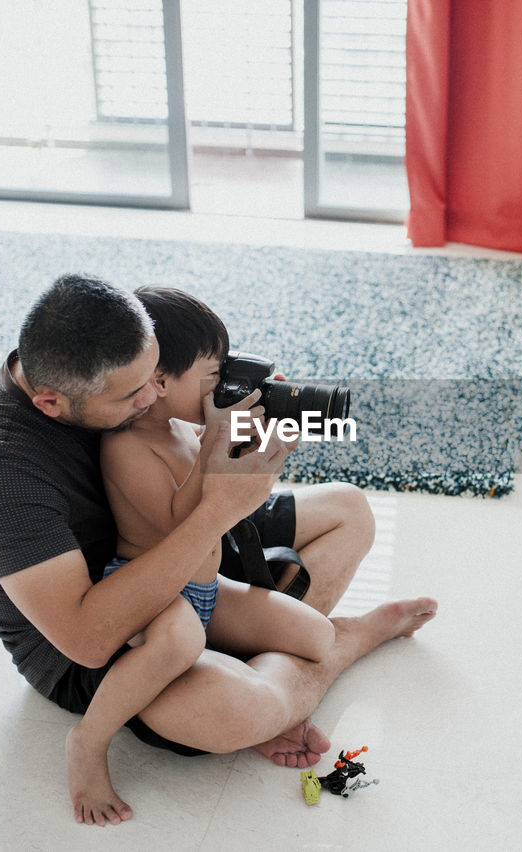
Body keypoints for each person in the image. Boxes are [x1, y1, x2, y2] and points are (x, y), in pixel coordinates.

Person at [0, 273, 438, 827]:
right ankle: (341, 646)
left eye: (156, 373)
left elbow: (184, 403)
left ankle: (274, 666)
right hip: (109, 633)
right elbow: (86, 640)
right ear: (51, 402)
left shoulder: (104, 353)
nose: (155, 394)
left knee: (350, 510)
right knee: (235, 711)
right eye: (136, 393)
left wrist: (251, 430)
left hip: (191, 542)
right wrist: (221, 507)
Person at [65, 285, 338, 825]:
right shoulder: (128, 448)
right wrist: (215, 443)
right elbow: (181, 528)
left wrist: (273, 433)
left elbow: (239, 479)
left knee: (318, 635)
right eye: (213, 378)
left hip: (208, 589)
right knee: (181, 637)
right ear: (160, 383)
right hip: (154, 595)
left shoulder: (183, 427)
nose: (222, 389)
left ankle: (250, 702)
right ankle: (88, 744)